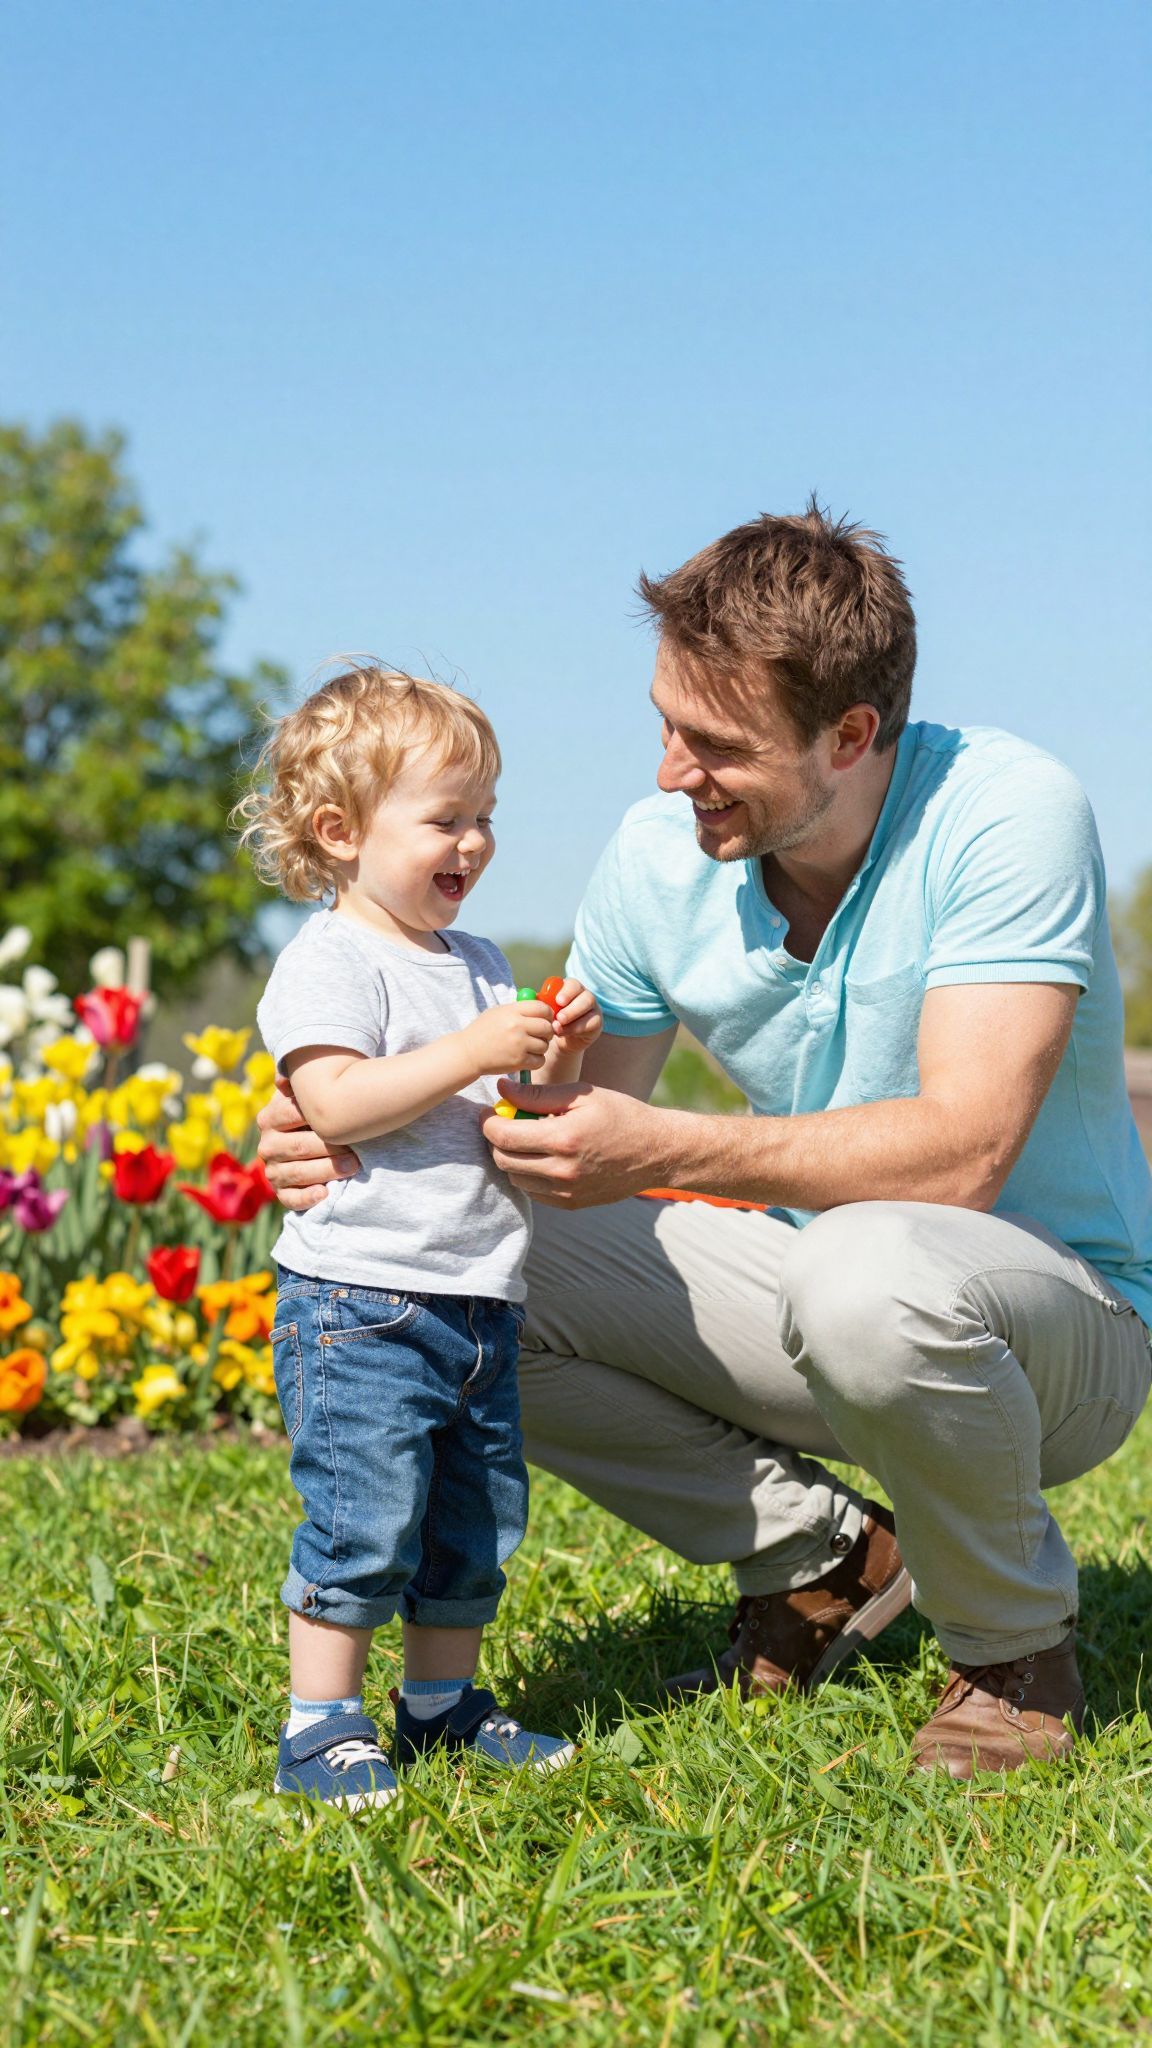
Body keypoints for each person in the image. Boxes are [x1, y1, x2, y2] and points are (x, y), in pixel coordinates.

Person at [257, 513, 1152, 1780]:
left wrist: (671, 1139)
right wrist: (334, 1124)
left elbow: (965, 1154)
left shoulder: (1007, 812)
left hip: (1057, 1324)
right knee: (458, 1263)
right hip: (816, 1300)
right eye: (667, 722)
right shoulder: (652, 856)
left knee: (873, 1270)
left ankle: (1011, 1654)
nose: (674, 771)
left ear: (850, 737)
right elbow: (552, 1136)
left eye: (718, 744)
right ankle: (825, 1559)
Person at [239, 663, 601, 1808]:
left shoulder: (477, 963)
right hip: (362, 1304)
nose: (476, 842)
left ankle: (442, 1707)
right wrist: (471, 1048)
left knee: (470, 1527)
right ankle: (321, 1726)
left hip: (477, 1297)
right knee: (363, 1516)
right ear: (341, 832)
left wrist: (557, 1056)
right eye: (447, 818)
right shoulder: (329, 961)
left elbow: (516, 1115)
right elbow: (335, 1102)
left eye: (486, 815)